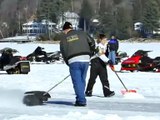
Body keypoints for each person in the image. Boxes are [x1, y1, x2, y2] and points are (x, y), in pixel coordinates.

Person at [60, 21, 96, 107]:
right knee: (82, 80)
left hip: (73, 60)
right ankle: (80, 97)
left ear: (65, 30)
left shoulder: (64, 39)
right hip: (86, 59)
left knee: (77, 81)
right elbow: (92, 42)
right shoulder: (82, 33)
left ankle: (81, 100)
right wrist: (90, 53)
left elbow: (64, 52)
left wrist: (68, 62)